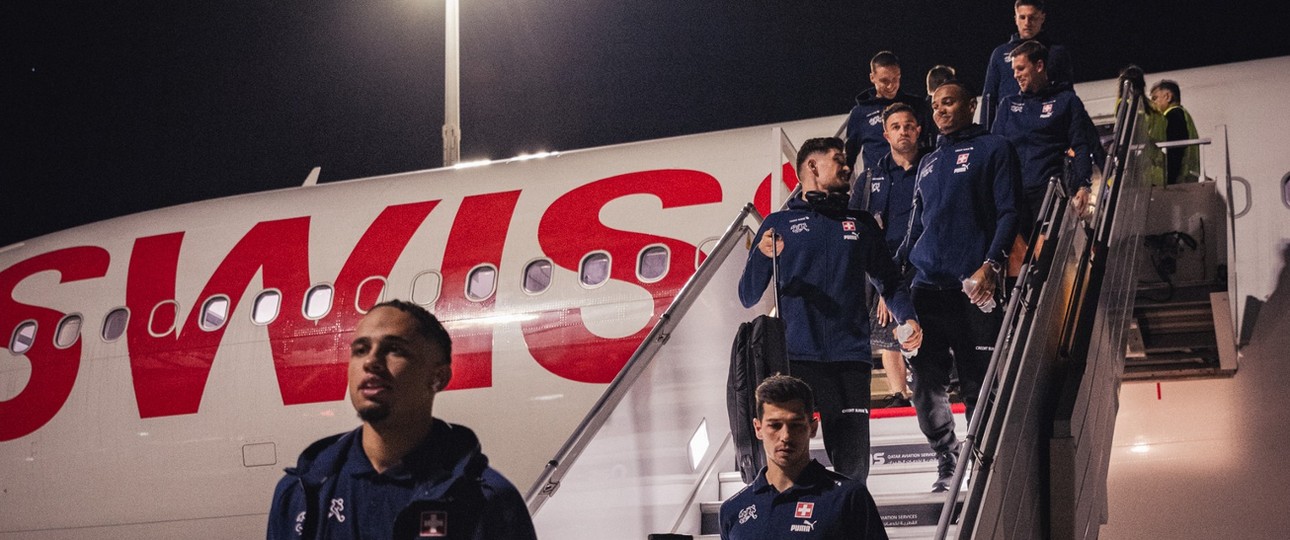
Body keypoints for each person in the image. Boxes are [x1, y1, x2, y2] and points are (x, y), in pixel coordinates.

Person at [267, 300, 537, 540]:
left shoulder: (486, 501)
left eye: (394, 350)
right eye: (360, 349)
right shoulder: (301, 494)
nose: (371, 361)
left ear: (438, 377)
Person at [739, 137, 922, 483]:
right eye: (837, 160)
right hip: (795, 361)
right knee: (790, 461)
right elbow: (748, 296)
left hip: (850, 359)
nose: (847, 166)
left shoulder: (861, 224)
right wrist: (762, 257)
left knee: (853, 467)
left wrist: (907, 316)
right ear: (812, 166)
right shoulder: (778, 224)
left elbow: (890, 282)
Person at [897, 80, 1021, 492]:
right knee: (926, 388)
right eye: (935, 105)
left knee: (977, 383)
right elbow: (915, 228)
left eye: (949, 102)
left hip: (975, 289)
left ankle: (983, 463)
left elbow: (1008, 213)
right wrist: (890, 276)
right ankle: (947, 460)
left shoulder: (995, 148)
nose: (941, 111)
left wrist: (992, 264)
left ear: (971, 104)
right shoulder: (929, 162)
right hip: (926, 291)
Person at [719, 375, 888, 539]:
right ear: (758, 428)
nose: (785, 436)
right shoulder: (733, 509)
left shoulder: (848, 497)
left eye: (795, 425)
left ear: (813, 427)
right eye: (774, 425)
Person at [850, 103, 927, 408]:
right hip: (883, 266)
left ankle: (925, 389)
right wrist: (882, 281)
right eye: (896, 127)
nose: (903, 131)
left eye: (908, 125)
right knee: (889, 326)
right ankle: (899, 393)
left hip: (923, 262)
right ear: (886, 134)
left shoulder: (932, 166)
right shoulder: (870, 178)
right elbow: (855, 226)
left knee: (921, 326)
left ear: (918, 130)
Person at [991, 40, 1100, 231]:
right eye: (1014, 70)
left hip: (1048, 194)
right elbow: (993, 151)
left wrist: (1084, 186)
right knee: (1017, 258)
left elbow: (1081, 145)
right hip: (1012, 196)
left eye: (1021, 69)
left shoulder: (1066, 101)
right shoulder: (1008, 105)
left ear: (1039, 66)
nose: (1015, 75)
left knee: (1044, 258)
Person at [981, 1, 1074, 129]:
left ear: (1042, 18)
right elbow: (989, 98)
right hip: (1009, 128)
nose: (1027, 23)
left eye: (1032, 17)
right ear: (1015, 19)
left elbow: (1067, 94)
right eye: (1022, 17)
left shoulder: (1056, 53)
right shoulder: (1000, 54)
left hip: (1045, 127)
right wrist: (985, 137)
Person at [844, 51, 935, 172]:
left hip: (913, 177)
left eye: (895, 79)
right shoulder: (860, 113)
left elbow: (933, 141)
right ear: (872, 78)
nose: (891, 86)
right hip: (877, 182)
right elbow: (850, 156)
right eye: (884, 81)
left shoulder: (917, 105)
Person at [1149, 79, 1201, 184]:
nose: (1153, 104)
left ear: (1167, 96)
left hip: (1177, 180)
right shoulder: (1184, 115)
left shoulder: (1172, 116)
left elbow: (1174, 152)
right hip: (1187, 178)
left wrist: (1169, 179)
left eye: (1155, 98)